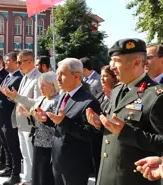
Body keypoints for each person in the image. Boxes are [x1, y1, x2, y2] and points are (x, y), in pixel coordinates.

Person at [86, 38, 163, 185]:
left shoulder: (156, 95)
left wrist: (127, 133)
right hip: (107, 175)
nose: (111, 66)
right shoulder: (117, 89)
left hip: (132, 179)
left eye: (116, 60)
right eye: (111, 60)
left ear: (136, 62)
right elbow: (114, 132)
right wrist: (99, 125)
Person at [43, 58, 101, 185]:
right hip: (58, 159)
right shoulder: (64, 95)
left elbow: (89, 135)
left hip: (75, 165)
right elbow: (60, 123)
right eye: (57, 74)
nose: (58, 79)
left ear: (76, 76)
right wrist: (46, 120)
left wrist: (64, 121)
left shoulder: (89, 102)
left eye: (62, 74)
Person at [1, 50, 41, 184]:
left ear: (29, 61)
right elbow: (21, 99)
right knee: (25, 155)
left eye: (19, 62)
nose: (18, 65)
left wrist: (16, 97)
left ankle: (32, 181)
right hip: (20, 122)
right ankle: (26, 179)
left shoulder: (38, 78)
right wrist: (12, 96)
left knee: (31, 155)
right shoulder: (25, 77)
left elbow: (37, 103)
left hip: (31, 123)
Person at [18, 71, 59, 185]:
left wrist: (43, 119)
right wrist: (28, 113)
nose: (41, 88)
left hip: (49, 143)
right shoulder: (41, 99)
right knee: (37, 172)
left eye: (44, 85)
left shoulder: (56, 101)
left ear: (53, 85)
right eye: (40, 85)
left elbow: (55, 123)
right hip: (37, 140)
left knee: (46, 174)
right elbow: (36, 118)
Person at [0, 52, 22, 184]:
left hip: (9, 117)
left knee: (13, 147)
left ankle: (15, 174)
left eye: (8, 61)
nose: (6, 63)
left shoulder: (19, 77)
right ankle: (8, 168)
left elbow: (11, 96)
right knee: (6, 145)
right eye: (6, 61)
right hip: (1, 117)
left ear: (15, 62)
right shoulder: (9, 76)